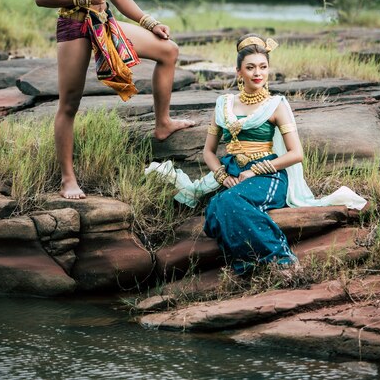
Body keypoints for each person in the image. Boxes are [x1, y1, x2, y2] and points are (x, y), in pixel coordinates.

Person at [146, 33, 366, 275]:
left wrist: (253, 170)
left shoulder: (276, 105)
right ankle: (250, 265)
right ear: (238, 71)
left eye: (263, 67)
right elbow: (208, 152)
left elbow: (296, 154)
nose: (257, 73)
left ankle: (283, 260)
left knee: (226, 203)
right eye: (250, 67)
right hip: (232, 172)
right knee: (214, 210)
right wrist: (221, 175)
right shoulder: (224, 105)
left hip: (269, 175)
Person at [35, 0, 193, 200]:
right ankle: (68, 178)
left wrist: (151, 22)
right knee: (69, 103)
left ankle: (162, 124)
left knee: (169, 50)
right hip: (74, 26)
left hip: (105, 22)